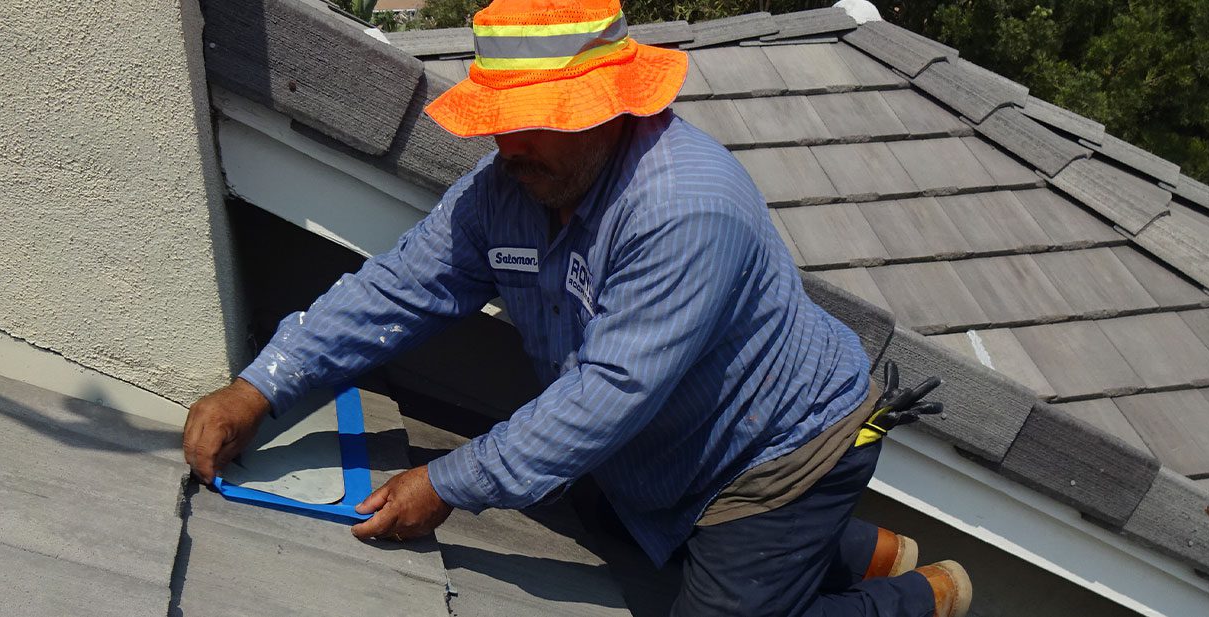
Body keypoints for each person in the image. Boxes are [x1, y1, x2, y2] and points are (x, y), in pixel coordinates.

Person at [182, 0, 971, 615]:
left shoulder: (684, 208)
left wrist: (448, 483)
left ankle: (914, 595)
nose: (511, 145)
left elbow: (605, 396)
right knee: (601, 513)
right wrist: (261, 386)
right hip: (667, 448)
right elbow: (399, 288)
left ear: (612, 105)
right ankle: (849, 549)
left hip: (778, 454)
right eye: (503, 121)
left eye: (540, 122)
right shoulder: (512, 187)